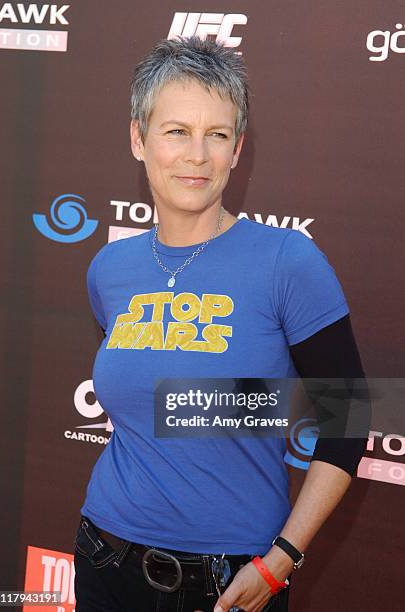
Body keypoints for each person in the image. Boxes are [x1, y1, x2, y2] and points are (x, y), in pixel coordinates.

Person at [73, 37, 370, 612]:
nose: (198, 156)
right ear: (139, 139)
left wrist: (282, 560)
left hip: (232, 582)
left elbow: (350, 416)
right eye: (176, 131)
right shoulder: (109, 269)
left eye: (218, 134)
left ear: (237, 151)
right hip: (103, 556)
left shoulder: (288, 262)